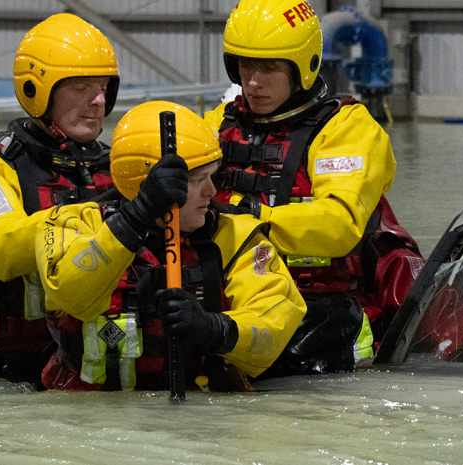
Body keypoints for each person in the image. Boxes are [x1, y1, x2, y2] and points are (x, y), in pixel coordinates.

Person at [205, 0, 422, 376]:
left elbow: (339, 224)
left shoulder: (347, 129)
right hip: (229, 307)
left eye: (269, 67)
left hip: (320, 317)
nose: (253, 81)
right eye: (244, 65)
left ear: (303, 66)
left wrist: (249, 220)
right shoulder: (215, 124)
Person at [35, 101, 306, 391]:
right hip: (94, 422)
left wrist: (212, 327)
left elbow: (277, 320)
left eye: (213, 176)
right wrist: (138, 214)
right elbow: (70, 292)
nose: (212, 191)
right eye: (197, 180)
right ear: (144, 183)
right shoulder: (71, 224)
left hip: (199, 419)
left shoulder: (236, 235)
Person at [0, 13, 120, 389]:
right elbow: (2, 245)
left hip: (102, 368)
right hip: (17, 376)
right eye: (80, 88)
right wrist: (107, 215)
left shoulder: (122, 166)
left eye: (105, 87)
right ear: (35, 90)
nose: (98, 101)